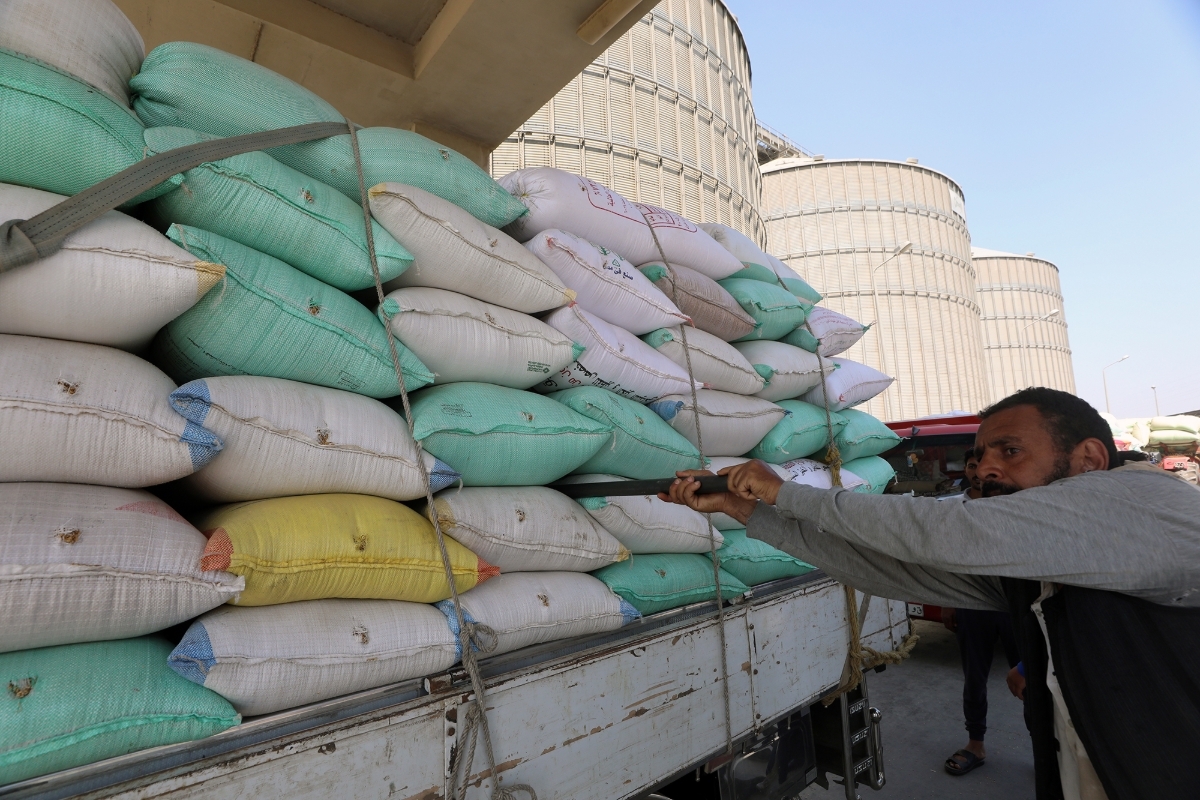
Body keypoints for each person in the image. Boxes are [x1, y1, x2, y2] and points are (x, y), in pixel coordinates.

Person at [660, 387, 1200, 800]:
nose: (987, 467)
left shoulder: (1144, 501)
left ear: (1089, 459)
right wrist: (748, 512)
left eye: (1011, 451)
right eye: (984, 453)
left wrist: (786, 492)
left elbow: (949, 529)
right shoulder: (1046, 561)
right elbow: (894, 569)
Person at [941, 453, 1022, 776]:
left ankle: (1045, 743)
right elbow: (946, 557)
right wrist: (948, 600)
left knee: (1030, 676)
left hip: (1015, 608)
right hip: (972, 606)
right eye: (972, 466)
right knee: (974, 677)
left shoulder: (1014, 500)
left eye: (983, 466)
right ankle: (976, 743)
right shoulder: (954, 509)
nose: (978, 472)